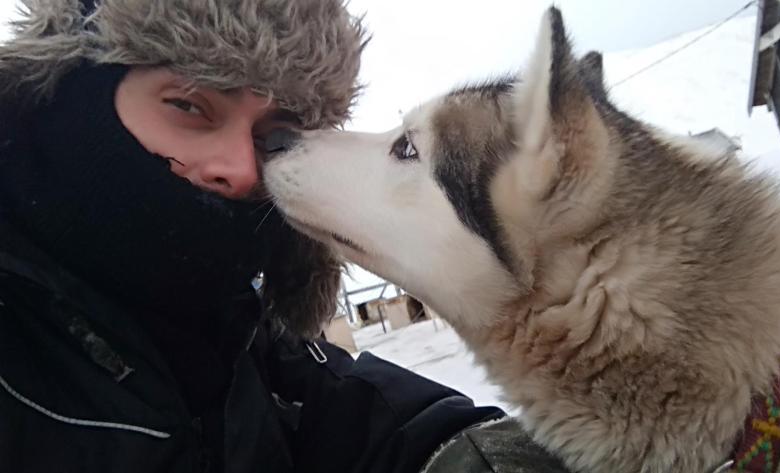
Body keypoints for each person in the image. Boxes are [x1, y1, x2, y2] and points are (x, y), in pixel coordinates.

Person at [0, 1, 570, 472]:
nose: (242, 169)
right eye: (188, 105)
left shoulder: (241, 333)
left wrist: (479, 457)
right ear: (70, 91)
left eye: (271, 136)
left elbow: (366, 420)